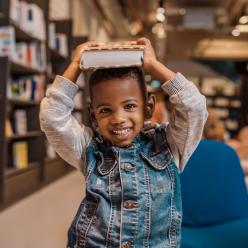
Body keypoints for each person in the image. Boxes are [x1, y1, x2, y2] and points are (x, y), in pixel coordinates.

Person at [40, 38, 208, 248]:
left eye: (129, 106)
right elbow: (51, 118)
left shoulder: (170, 145)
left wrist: (154, 66)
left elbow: (194, 107)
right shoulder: (88, 148)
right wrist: (75, 66)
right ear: (93, 115)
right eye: (105, 110)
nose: (118, 118)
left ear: (148, 108)